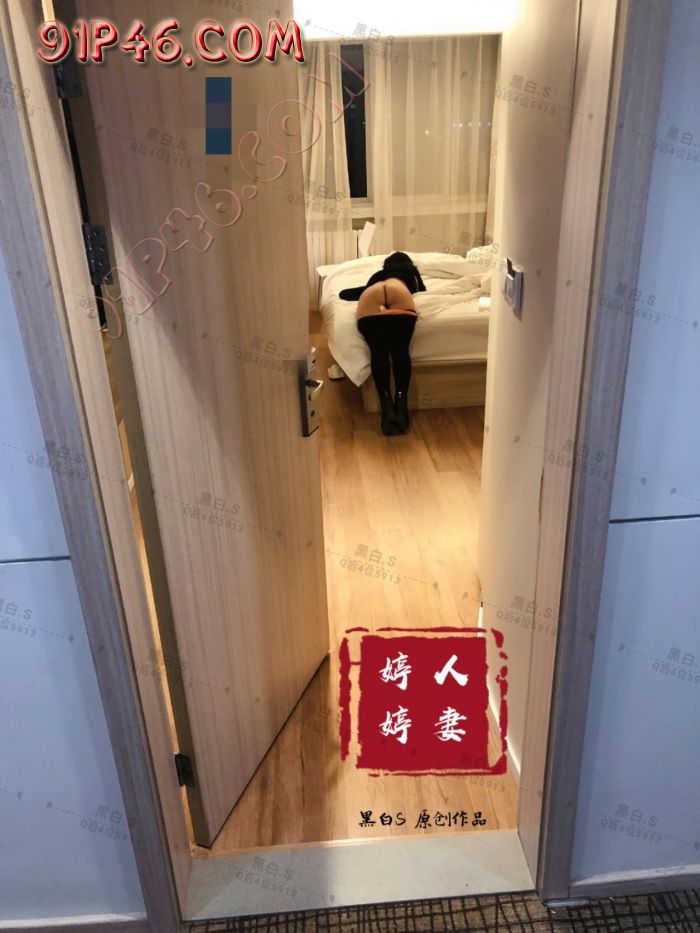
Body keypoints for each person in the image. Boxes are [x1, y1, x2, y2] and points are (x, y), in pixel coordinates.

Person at [340, 252, 426, 435]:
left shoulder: (377, 275)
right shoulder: (411, 272)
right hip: (399, 293)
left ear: (386, 265)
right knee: (400, 351)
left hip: (370, 295)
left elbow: (350, 293)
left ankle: (386, 405)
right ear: (408, 263)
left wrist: (344, 293)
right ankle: (401, 405)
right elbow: (421, 289)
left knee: (378, 351)